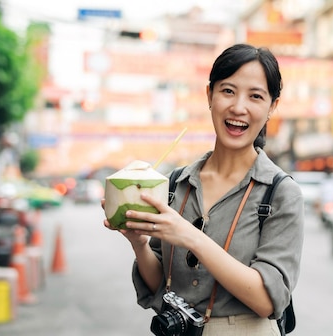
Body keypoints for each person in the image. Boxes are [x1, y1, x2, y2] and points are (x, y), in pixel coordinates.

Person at [102, 44, 304, 336]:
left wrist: (189, 236)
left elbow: (266, 301)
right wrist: (138, 242)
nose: (238, 107)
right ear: (209, 95)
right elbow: (160, 282)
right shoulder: (174, 184)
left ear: (272, 106)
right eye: (228, 91)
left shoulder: (281, 193)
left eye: (256, 96)